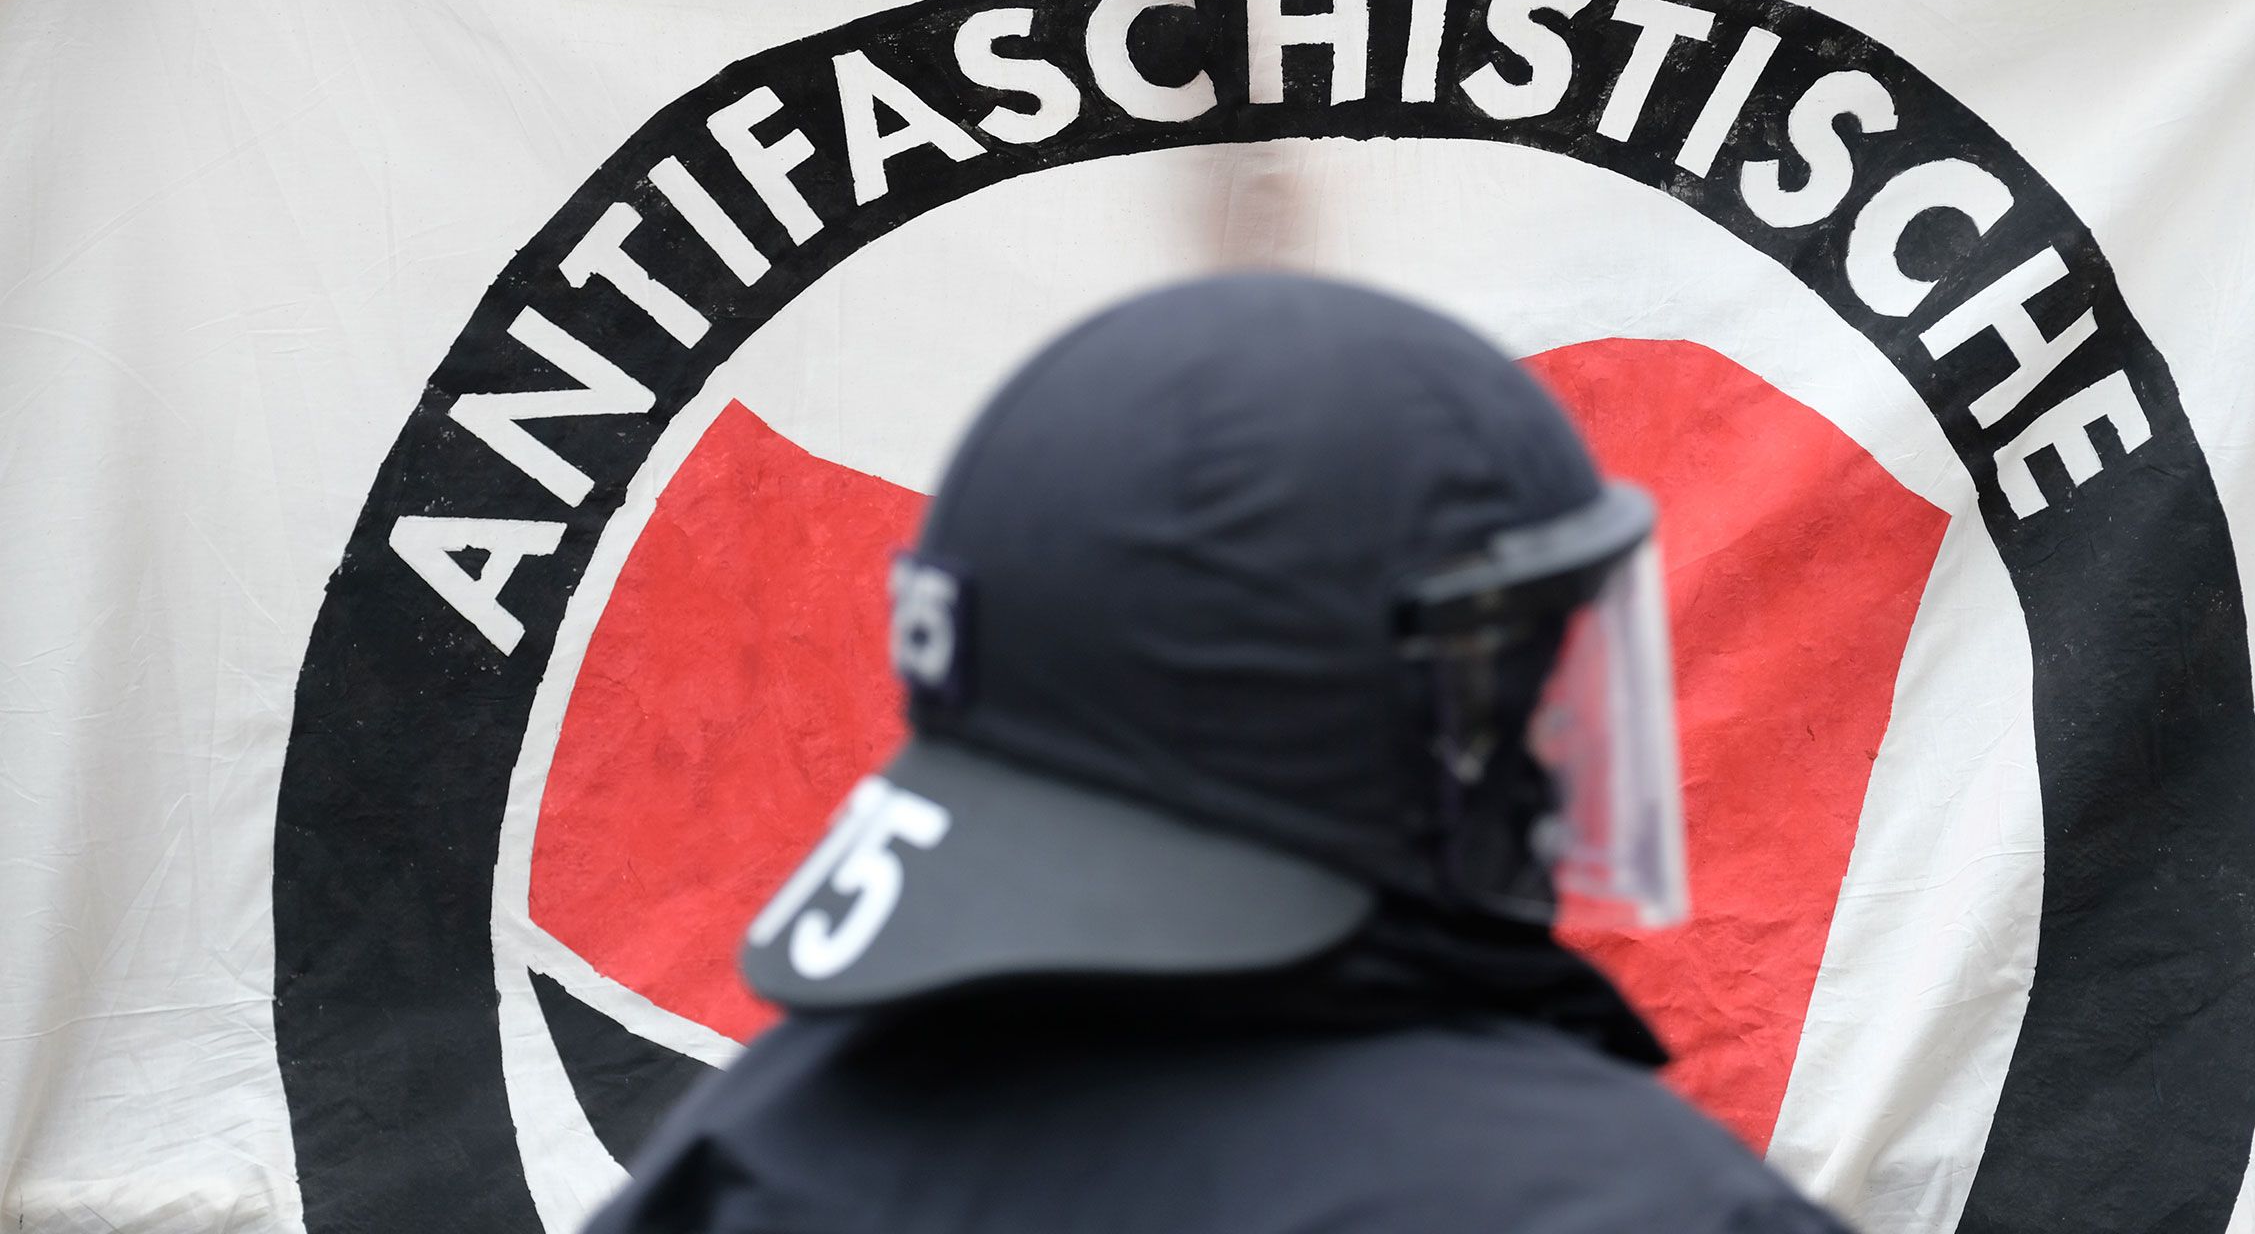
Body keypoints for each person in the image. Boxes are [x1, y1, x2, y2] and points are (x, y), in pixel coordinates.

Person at [588, 271, 1853, 1234]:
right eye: (1522, 673)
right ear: (1381, 702)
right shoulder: (1627, 1201)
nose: (1545, 739)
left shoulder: (751, 1153)